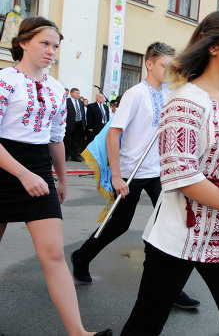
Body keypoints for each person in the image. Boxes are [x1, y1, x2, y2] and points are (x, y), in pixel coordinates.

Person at [121, 10, 219, 336]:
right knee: (145, 325)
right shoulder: (184, 100)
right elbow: (181, 176)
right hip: (177, 232)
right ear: (214, 46)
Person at [0, 16, 111, 336]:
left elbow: (56, 138)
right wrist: (22, 174)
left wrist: (60, 180)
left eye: (56, 46)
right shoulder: (5, 80)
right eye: (44, 44)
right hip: (5, 167)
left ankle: (78, 332)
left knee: (53, 254)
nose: (51, 51)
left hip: (37, 169)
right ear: (23, 43)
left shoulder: (55, 88)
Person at [70, 42, 199, 308]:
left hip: (158, 173)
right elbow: (114, 134)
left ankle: (170, 289)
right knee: (119, 225)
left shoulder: (168, 94)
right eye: (165, 65)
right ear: (149, 64)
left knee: (171, 225)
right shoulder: (135, 94)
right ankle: (81, 257)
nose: (169, 70)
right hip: (130, 171)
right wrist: (116, 176)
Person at [64, 87, 86, 162]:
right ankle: (66, 155)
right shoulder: (67, 101)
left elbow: (82, 113)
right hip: (69, 124)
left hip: (79, 124)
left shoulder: (80, 102)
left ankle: (75, 156)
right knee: (68, 140)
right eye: (77, 93)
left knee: (76, 141)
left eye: (79, 93)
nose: (78, 95)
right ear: (72, 93)